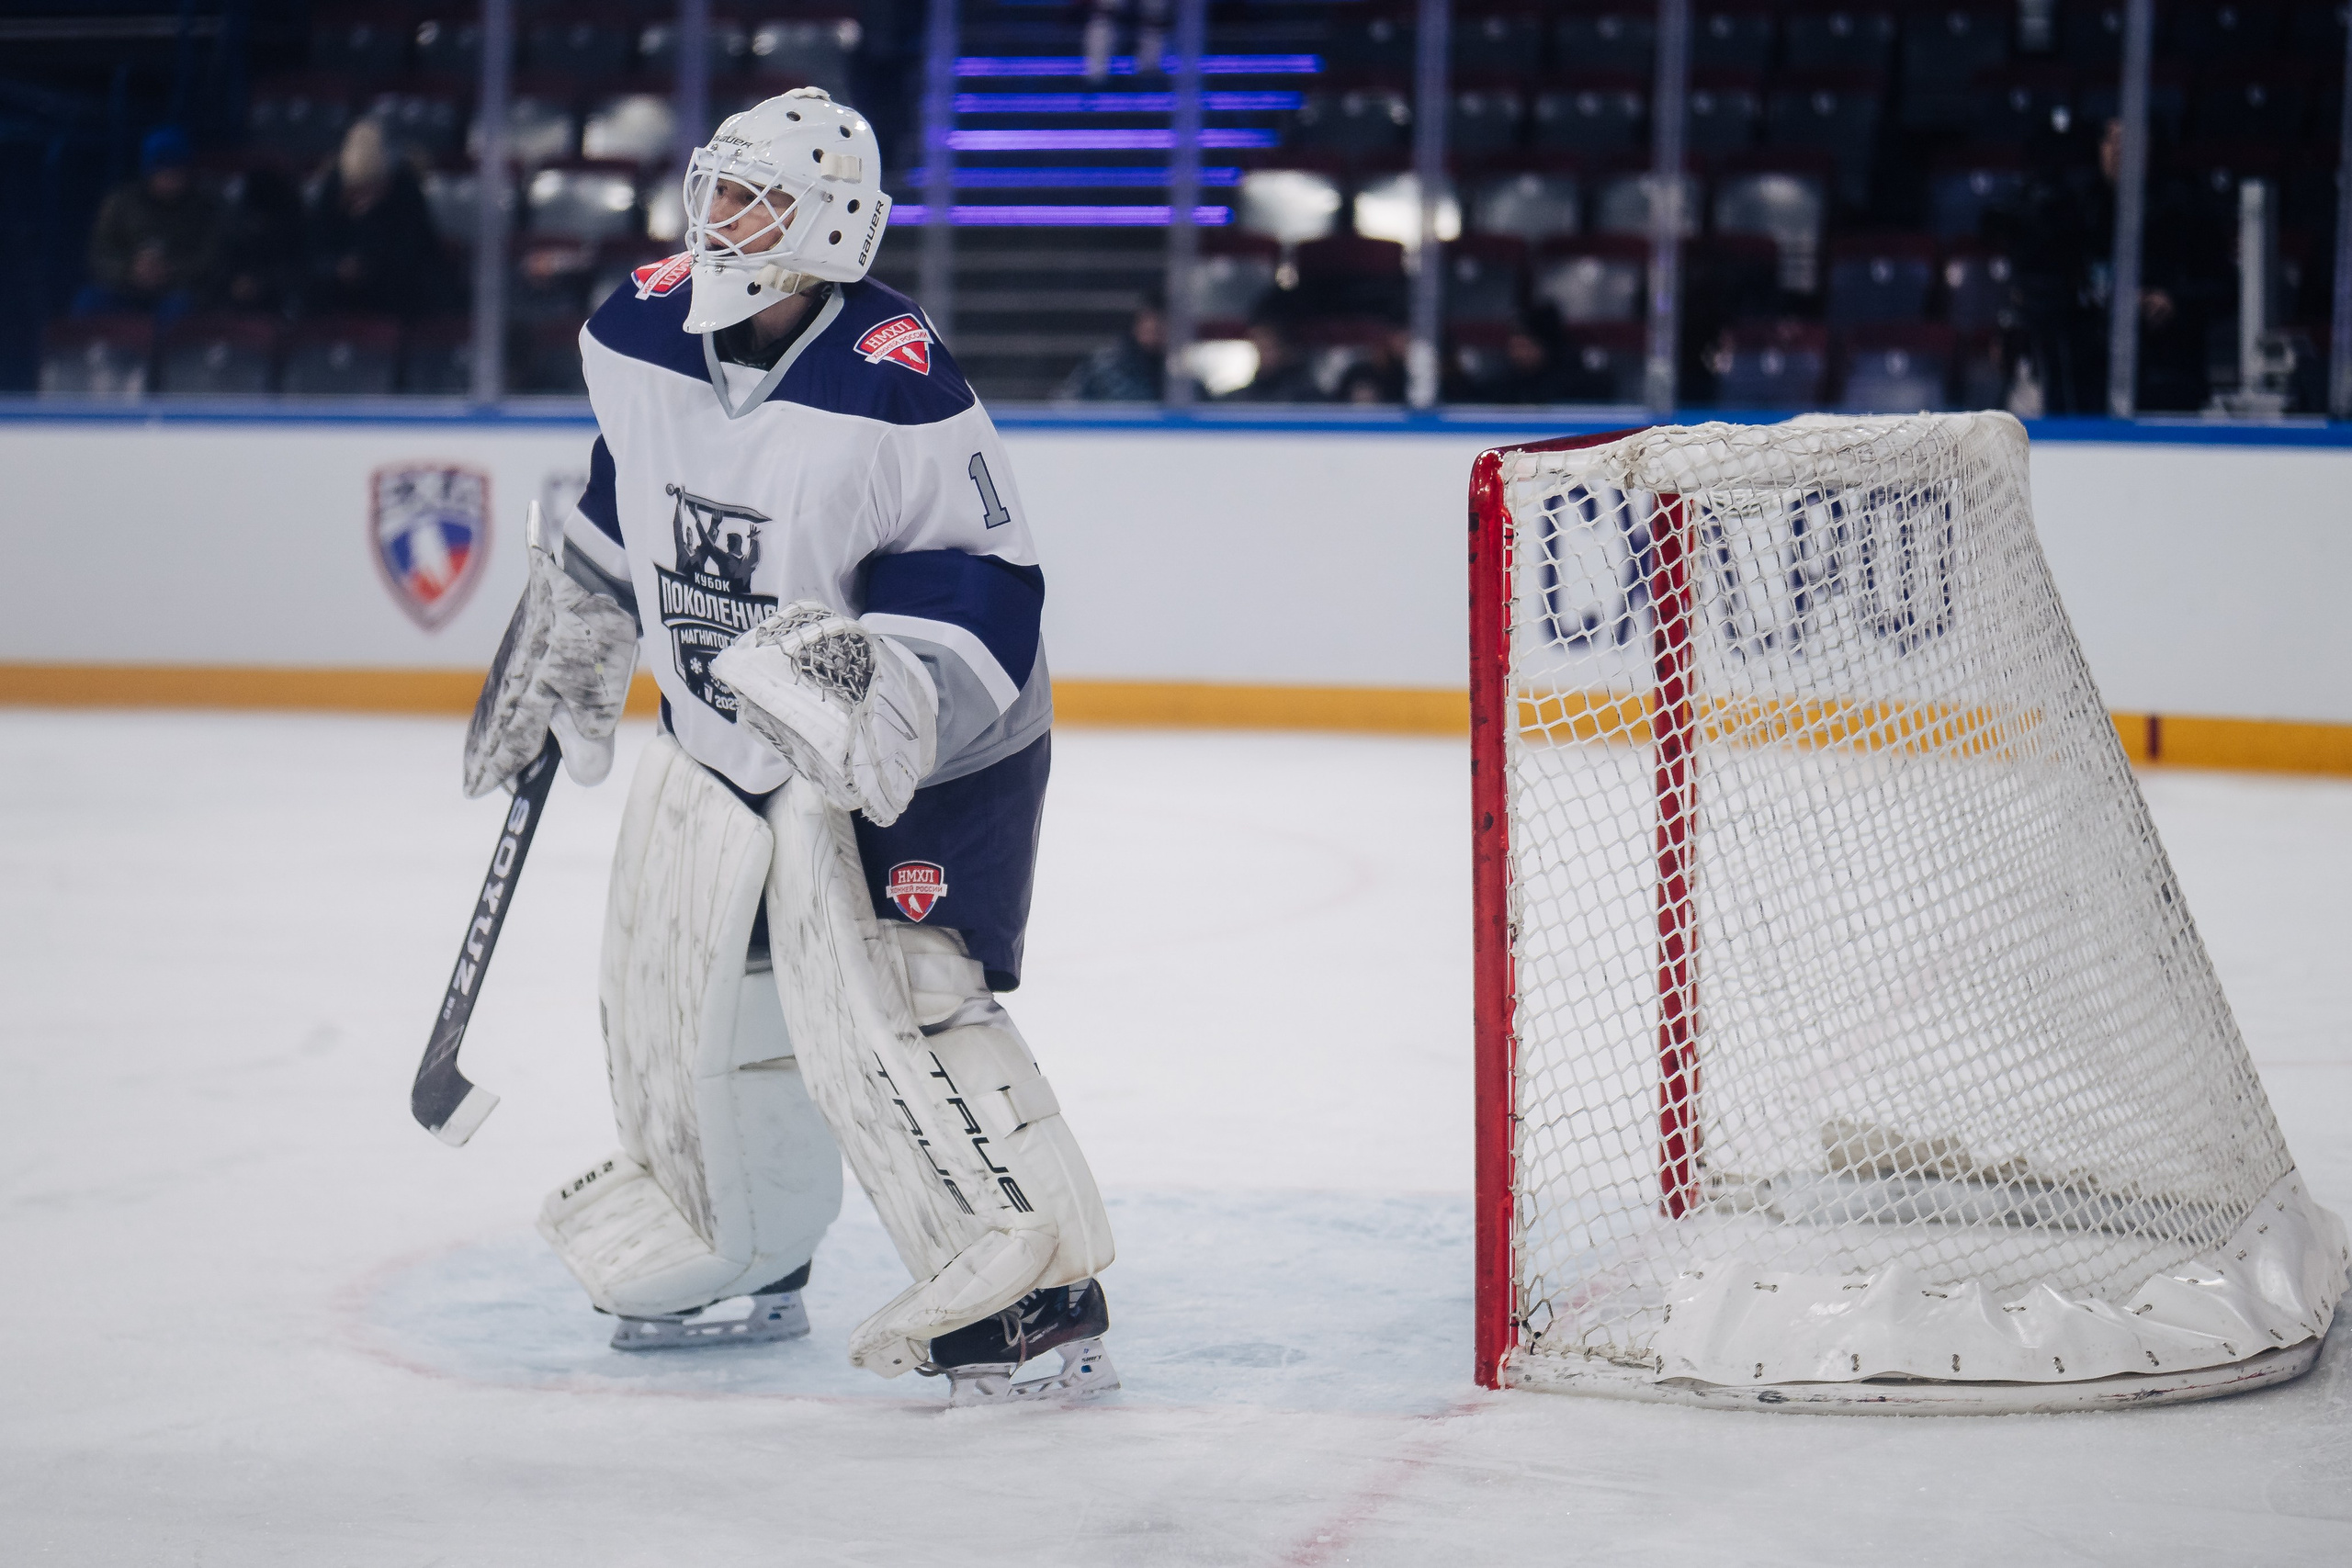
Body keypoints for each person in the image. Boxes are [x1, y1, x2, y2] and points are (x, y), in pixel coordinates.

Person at [460, 88, 1115, 1407]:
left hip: (915, 754)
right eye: (716, 186)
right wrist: (581, 615)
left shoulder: (897, 376)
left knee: (899, 1001)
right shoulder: (639, 323)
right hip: (719, 736)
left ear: (832, 230)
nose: (719, 219)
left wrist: (883, 695)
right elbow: (628, 481)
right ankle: (736, 1238)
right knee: (690, 987)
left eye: (756, 202)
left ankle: (1034, 1295)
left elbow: (981, 579)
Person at [77, 127, 222, 321]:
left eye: (176, 171)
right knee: (89, 300)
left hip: (176, 291)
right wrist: (130, 270)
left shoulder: (204, 208)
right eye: (163, 171)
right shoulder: (121, 203)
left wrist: (169, 271)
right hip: (125, 287)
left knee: (180, 307)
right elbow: (99, 254)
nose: (170, 179)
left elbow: (210, 258)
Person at [304, 120, 445, 318]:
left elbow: (415, 251)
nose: (363, 199)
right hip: (339, 296)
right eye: (357, 191)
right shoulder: (333, 192)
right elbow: (315, 250)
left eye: (371, 189)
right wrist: (337, 268)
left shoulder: (405, 192)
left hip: (395, 295)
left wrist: (371, 263)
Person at [1054, 295, 1165, 400]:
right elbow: (1064, 403)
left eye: (1161, 320)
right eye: (1146, 318)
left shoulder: (1173, 372)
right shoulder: (1103, 365)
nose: (1152, 326)